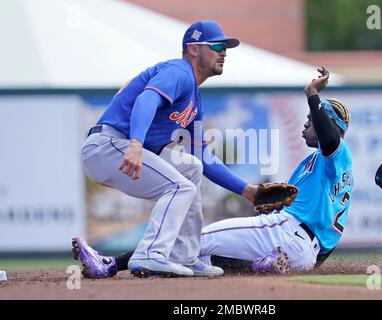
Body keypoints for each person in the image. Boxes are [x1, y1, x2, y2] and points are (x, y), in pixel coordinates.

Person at [73, 66, 353, 277]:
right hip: (304, 253)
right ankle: (263, 267)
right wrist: (306, 261)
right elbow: (326, 241)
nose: (306, 124)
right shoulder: (324, 168)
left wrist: (313, 95)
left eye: (312, 120)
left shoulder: (336, 153)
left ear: (328, 124)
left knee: (191, 241)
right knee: (202, 261)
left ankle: (110, 264)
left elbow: (330, 139)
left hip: (285, 233)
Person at [78, 20, 263, 278]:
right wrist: (136, 144)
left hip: (121, 149)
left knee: (192, 167)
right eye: (218, 45)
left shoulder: (195, 101)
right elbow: (146, 99)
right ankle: (149, 255)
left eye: (226, 48)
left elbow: (204, 157)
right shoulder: (179, 71)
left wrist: (247, 191)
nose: (224, 52)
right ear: (194, 49)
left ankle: (184, 256)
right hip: (108, 145)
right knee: (180, 186)